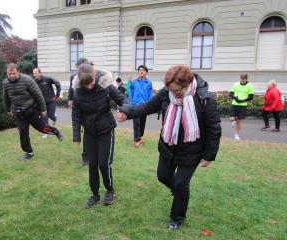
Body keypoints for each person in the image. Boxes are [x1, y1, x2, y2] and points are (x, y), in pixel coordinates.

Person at [117, 65, 221, 230]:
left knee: (180, 184)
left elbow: (214, 128)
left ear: (187, 84)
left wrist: (209, 155)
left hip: (192, 150)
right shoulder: (167, 93)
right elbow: (148, 106)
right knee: (163, 176)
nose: (174, 93)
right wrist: (127, 112)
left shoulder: (204, 98)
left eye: (177, 90)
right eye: (171, 90)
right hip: (168, 145)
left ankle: (177, 218)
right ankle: (180, 194)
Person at [72, 63, 131, 208]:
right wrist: (76, 136)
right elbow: (76, 114)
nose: (90, 86)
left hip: (106, 130)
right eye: (87, 84)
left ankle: (110, 191)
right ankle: (95, 195)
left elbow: (124, 100)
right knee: (92, 164)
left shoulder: (106, 85)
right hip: (90, 132)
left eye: (92, 82)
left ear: (94, 76)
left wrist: (124, 110)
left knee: (104, 164)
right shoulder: (78, 91)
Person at [3, 63, 64, 161]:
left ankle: (55, 131)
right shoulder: (5, 83)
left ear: (18, 72)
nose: (12, 76)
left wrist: (43, 109)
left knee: (42, 128)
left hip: (31, 110)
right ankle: (29, 152)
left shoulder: (27, 80)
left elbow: (38, 95)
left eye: (14, 73)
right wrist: (8, 110)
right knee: (23, 132)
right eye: (9, 74)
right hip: (19, 112)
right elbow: (6, 97)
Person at [68, 57, 90, 166]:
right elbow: (71, 89)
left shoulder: (92, 76)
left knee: (88, 132)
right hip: (78, 106)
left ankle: (88, 154)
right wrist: (70, 99)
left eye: (78, 68)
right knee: (84, 129)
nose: (76, 70)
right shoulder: (73, 76)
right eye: (76, 68)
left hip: (90, 109)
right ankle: (85, 156)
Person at [32, 68, 61, 138]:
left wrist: (57, 95)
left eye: (36, 73)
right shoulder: (34, 82)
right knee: (44, 119)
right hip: (42, 104)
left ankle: (54, 117)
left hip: (51, 101)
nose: (34, 74)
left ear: (40, 73)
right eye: (33, 73)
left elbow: (57, 84)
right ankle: (47, 133)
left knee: (51, 115)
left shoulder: (47, 79)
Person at [129, 65, 153, 148]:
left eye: (143, 70)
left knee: (142, 122)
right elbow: (130, 93)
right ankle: (137, 139)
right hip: (135, 105)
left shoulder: (149, 83)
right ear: (138, 72)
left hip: (145, 106)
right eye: (140, 70)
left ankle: (140, 136)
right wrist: (131, 102)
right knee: (136, 123)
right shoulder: (134, 82)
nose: (141, 71)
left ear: (146, 72)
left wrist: (149, 104)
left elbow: (150, 95)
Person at [229, 74, 254, 140]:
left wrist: (244, 100)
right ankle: (234, 120)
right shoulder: (235, 84)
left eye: (244, 79)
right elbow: (231, 94)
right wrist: (235, 98)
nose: (242, 80)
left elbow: (251, 97)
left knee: (239, 121)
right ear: (239, 78)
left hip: (243, 105)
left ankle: (236, 135)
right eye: (241, 79)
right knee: (231, 118)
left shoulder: (250, 86)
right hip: (234, 104)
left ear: (246, 79)